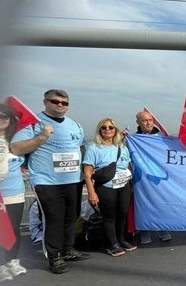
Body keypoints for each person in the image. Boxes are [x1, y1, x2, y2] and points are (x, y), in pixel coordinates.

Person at [10, 89, 88, 274]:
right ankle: (54, 257)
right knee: (53, 219)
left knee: (72, 216)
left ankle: (67, 249)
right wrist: (42, 137)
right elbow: (16, 147)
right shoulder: (33, 123)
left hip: (73, 179)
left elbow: (82, 147)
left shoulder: (75, 125)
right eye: (55, 101)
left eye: (64, 102)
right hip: (47, 181)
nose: (60, 105)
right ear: (45, 102)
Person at [83, 118, 136, 256]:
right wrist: (91, 192)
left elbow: (128, 165)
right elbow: (87, 173)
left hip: (124, 185)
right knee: (109, 216)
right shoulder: (94, 148)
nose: (107, 130)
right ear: (99, 130)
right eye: (104, 127)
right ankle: (113, 244)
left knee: (123, 214)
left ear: (115, 130)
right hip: (106, 186)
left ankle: (122, 239)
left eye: (111, 127)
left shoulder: (122, 147)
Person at [0, 103, 27, 282]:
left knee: (14, 229)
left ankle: (12, 261)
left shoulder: (14, 141)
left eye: (4, 116)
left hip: (14, 192)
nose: (0, 119)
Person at [135, 110, 171, 244]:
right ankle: (145, 231)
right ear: (138, 122)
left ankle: (163, 229)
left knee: (161, 202)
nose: (148, 122)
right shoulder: (133, 138)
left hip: (158, 176)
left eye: (150, 120)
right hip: (141, 177)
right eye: (144, 120)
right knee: (143, 203)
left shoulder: (161, 137)